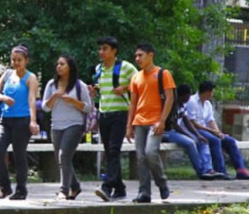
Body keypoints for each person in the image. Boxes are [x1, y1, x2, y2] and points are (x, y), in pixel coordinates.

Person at [0, 44, 40, 200]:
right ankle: (5, 188)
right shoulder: (7, 74)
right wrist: (3, 98)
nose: (16, 62)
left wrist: (33, 121)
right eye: (13, 60)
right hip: (4, 121)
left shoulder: (30, 77)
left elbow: (32, 99)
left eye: (19, 60)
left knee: (19, 156)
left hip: (22, 121)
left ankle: (21, 190)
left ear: (26, 61)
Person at [125, 43, 173, 204]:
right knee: (140, 158)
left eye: (141, 55)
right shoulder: (135, 77)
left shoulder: (163, 74)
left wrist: (162, 120)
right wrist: (129, 126)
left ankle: (162, 183)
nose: (137, 59)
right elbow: (132, 103)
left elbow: (170, 98)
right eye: (136, 56)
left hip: (155, 121)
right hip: (139, 121)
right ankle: (144, 192)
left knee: (150, 152)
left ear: (151, 55)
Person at [92, 37, 138, 201]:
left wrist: (125, 87)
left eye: (105, 49)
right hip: (104, 114)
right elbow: (102, 89)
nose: (101, 52)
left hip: (120, 113)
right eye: (100, 49)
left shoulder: (125, 67)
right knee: (109, 151)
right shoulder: (99, 69)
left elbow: (140, 83)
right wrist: (95, 91)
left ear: (114, 51)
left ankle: (107, 186)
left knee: (113, 150)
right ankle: (120, 188)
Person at [42, 54, 92, 200]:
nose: (58, 66)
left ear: (70, 67)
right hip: (56, 125)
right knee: (64, 158)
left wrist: (72, 101)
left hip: (74, 124)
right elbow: (45, 108)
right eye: (57, 64)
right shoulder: (51, 84)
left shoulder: (79, 85)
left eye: (62, 64)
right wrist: (54, 97)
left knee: (63, 155)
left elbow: (88, 108)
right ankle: (75, 187)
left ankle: (64, 190)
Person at [186, 81, 249, 180]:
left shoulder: (207, 104)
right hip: (194, 130)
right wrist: (212, 132)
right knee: (215, 140)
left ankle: (241, 171)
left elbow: (210, 120)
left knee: (230, 141)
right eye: (211, 92)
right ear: (206, 92)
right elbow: (193, 123)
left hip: (205, 129)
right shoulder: (192, 101)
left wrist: (218, 132)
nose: (212, 95)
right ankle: (221, 171)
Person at [163, 84, 224, 180]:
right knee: (191, 143)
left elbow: (187, 122)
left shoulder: (182, 105)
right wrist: (190, 136)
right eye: (188, 95)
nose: (189, 98)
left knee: (202, 140)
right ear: (182, 95)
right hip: (166, 132)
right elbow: (175, 125)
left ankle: (208, 169)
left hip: (175, 131)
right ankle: (201, 171)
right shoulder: (172, 105)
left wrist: (198, 135)